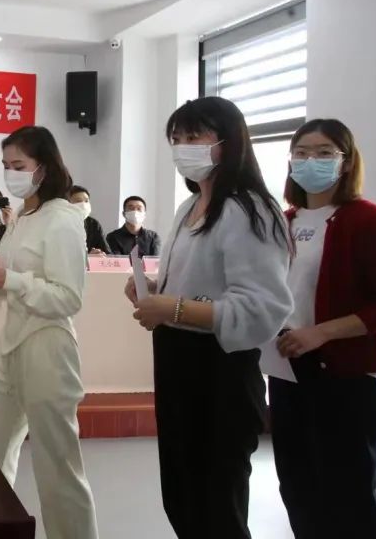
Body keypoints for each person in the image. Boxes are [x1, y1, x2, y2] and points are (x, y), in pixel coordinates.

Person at [127, 96, 293, 539]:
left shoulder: (250, 209)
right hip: (177, 359)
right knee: (182, 494)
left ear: (228, 142)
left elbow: (262, 308)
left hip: (219, 370)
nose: (183, 147)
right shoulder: (190, 207)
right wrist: (155, 290)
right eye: (177, 139)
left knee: (216, 504)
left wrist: (173, 307)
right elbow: (200, 280)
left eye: (194, 136)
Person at [267, 119, 376, 539]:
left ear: (346, 161)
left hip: (346, 380)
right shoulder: (285, 222)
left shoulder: (370, 221)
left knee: (349, 500)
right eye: (301, 153)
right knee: (298, 489)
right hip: (288, 373)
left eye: (323, 152)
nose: (310, 160)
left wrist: (322, 332)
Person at [0, 125, 98, 539]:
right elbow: (10, 284)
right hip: (11, 341)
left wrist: (11, 281)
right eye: (5, 165)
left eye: (19, 165)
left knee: (58, 465)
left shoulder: (63, 218)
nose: (10, 174)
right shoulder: (21, 217)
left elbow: (68, 297)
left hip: (48, 345)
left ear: (43, 167)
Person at [68, 185, 111, 255]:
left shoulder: (93, 224)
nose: (84, 205)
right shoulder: (60, 224)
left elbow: (107, 252)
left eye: (86, 201)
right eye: (78, 201)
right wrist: (88, 257)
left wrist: (99, 254)